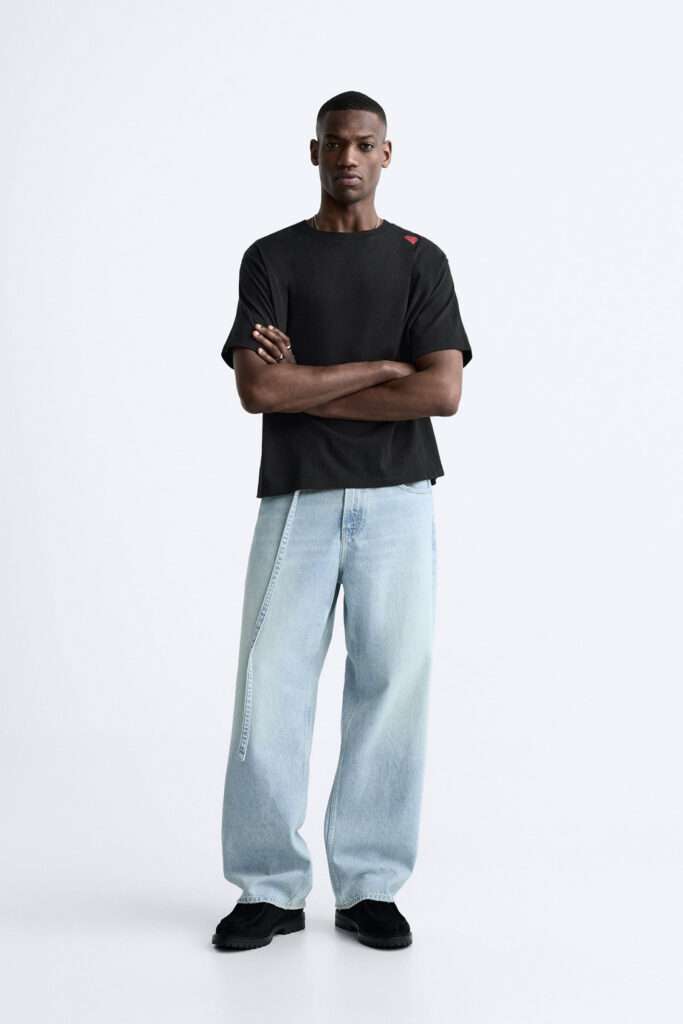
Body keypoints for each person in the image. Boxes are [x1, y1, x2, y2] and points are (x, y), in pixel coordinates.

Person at [212, 90, 473, 952]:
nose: (348, 158)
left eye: (364, 144)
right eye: (334, 144)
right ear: (313, 151)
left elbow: (441, 391)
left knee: (390, 688)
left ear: (386, 153)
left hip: (399, 498)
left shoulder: (420, 261)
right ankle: (268, 888)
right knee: (270, 690)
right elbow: (259, 389)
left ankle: (369, 886)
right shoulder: (272, 259)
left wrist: (310, 384)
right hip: (298, 497)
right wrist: (377, 369)